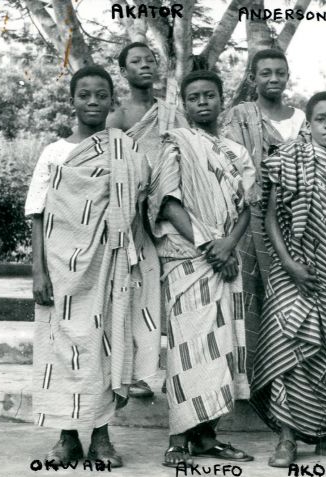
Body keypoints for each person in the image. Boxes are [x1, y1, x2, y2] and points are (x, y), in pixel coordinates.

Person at [27, 65, 161, 468]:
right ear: (72, 100)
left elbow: (142, 205)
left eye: (101, 95)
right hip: (61, 270)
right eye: (84, 95)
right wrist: (39, 271)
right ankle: (67, 437)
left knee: (106, 346)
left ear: (111, 101)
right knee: (64, 349)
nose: (92, 102)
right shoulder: (54, 152)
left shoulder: (125, 150)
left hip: (109, 267)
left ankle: (101, 437)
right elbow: (37, 213)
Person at [250, 91, 326, 468]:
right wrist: (289, 265)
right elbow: (270, 217)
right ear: (310, 123)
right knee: (290, 347)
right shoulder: (290, 158)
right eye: (322, 119)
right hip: (295, 270)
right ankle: (286, 439)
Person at [147, 69, 255, 468]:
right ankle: (177, 440)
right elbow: (168, 202)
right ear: (185, 105)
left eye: (209, 95)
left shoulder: (235, 152)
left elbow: (248, 206)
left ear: (221, 99)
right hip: (189, 259)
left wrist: (228, 245)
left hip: (225, 257)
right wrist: (211, 245)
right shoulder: (174, 144)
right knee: (188, 348)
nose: (202, 102)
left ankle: (207, 437)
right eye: (194, 98)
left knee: (220, 349)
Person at [221, 48, 308, 378]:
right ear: (252, 78)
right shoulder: (239, 116)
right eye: (266, 73)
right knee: (250, 291)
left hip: (295, 218)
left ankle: (286, 374)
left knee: (288, 293)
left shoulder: (301, 119)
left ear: (288, 76)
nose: (274, 78)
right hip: (250, 216)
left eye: (280, 72)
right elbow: (229, 165)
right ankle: (251, 376)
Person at [108, 42, 188, 398]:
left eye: (150, 60)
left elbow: (187, 156)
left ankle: (180, 370)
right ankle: (137, 374)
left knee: (177, 290)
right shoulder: (118, 117)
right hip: (135, 217)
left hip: (171, 211)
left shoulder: (173, 113)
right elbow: (111, 169)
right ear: (123, 71)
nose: (144, 65)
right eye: (136, 61)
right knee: (137, 294)